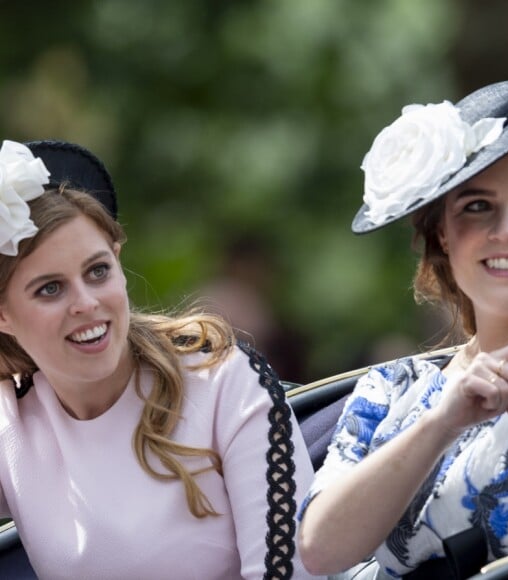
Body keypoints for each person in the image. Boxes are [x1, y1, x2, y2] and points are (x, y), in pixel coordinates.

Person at [298, 45, 508, 579]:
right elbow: (318, 551)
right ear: (442, 236)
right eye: (477, 207)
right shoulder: (390, 388)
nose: (507, 230)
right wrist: (442, 421)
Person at [0, 139, 319, 579]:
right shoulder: (10, 422)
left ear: (117, 260)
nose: (86, 303)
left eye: (97, 271)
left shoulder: (222, 380)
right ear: (3, 315)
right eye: (50, 289)